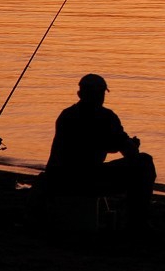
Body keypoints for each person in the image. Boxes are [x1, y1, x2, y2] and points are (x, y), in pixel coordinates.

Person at [44, 73, 157, 230]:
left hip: (58, 179)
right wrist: (132, 145)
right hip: (84, 180)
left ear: (80, 94)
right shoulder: (106, 117)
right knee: (144, 163)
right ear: (102, 95)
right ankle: (137, 223)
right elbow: (128, 152)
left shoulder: (66, 115)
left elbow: (98, 143)